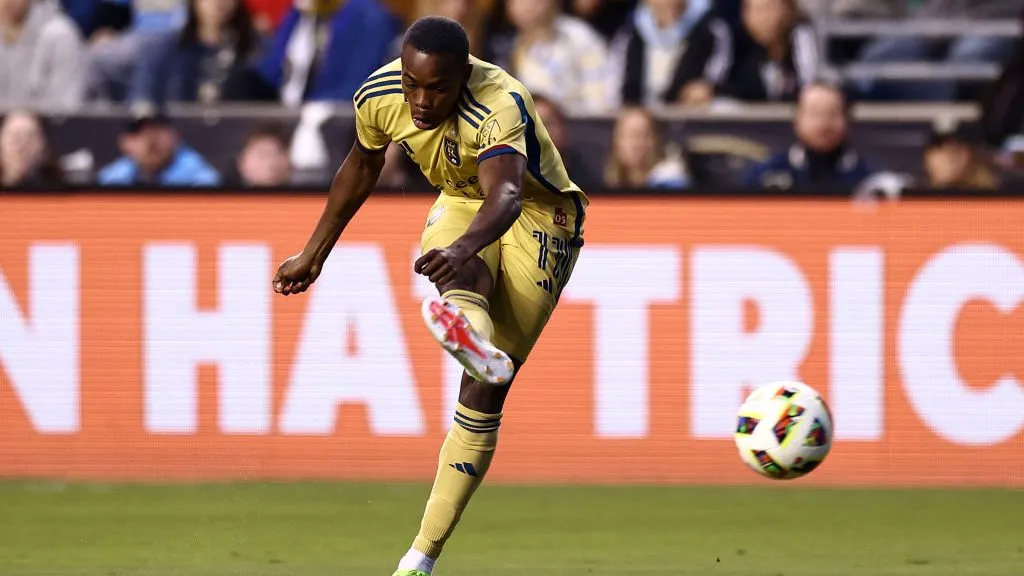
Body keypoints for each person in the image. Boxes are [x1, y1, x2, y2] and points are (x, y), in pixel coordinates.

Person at [271, 16, 587, 576]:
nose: (420, 100)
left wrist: (465, 247)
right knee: (459, 281)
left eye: (437, 87)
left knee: (485, 394)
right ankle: (474, 338)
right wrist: (313, 252)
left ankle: (425, 551)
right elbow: (362, 164)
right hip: (463, 201)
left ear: (463, 75)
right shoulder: (379, 95)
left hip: (541, 216)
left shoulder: (500, 104)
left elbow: (509, 194)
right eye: (413, 84)